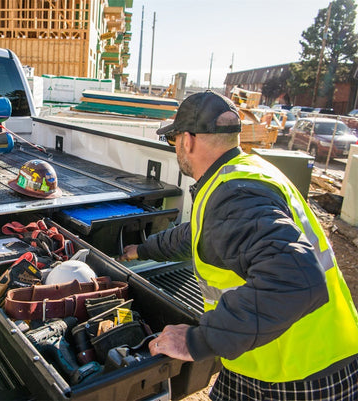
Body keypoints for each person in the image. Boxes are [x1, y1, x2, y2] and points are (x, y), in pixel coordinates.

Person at [118, 90, 358, 400]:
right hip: (262, 352)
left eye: (173, 140)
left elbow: (298, 280)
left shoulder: (235, 195)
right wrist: (143, 250)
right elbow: (203, 232)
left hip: (299, 373)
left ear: (187, 141)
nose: (176, 147)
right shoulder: (243, 173)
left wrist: (197, 340)